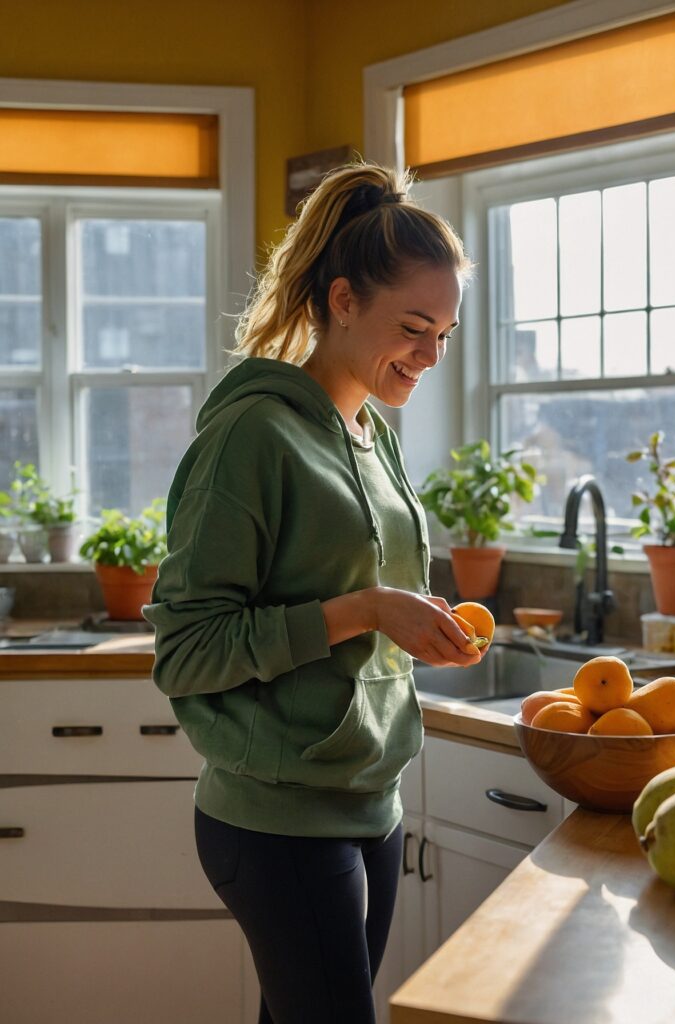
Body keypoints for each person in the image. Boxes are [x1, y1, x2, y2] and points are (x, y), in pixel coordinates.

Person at [144, 162, 482, 1024]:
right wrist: (365, 610)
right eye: (413, 327)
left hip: (371, 798)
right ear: (340, 300)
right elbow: (187, 652)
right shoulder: (252, 434)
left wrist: (411, 618)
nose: (431, 356)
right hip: (276, 819)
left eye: (445, 332)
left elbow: (365, 591)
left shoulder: (369, 430)